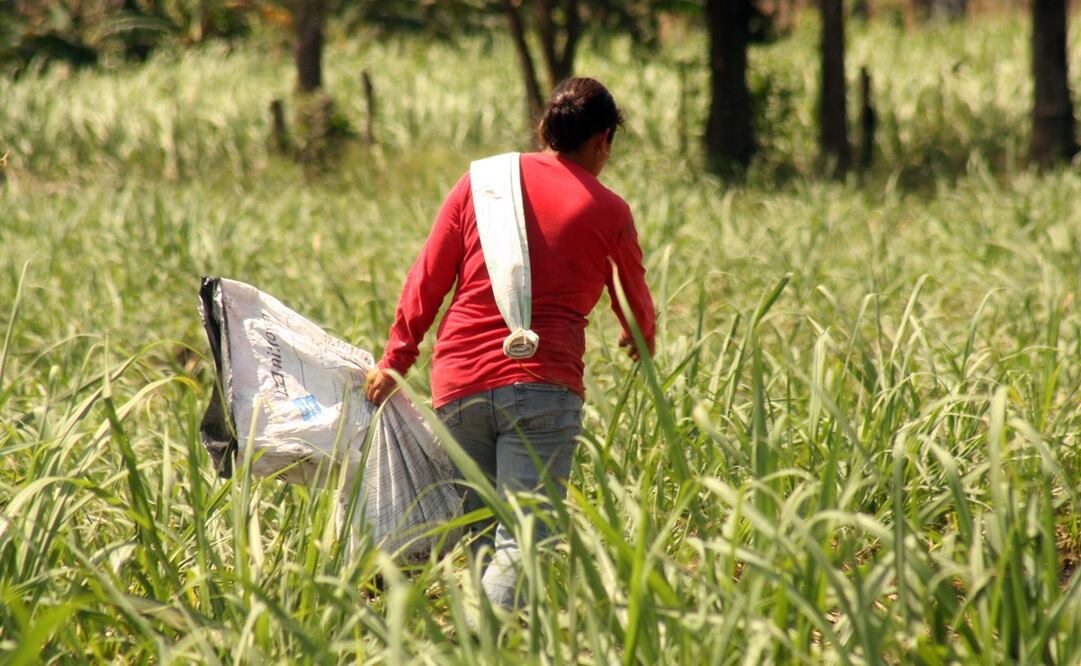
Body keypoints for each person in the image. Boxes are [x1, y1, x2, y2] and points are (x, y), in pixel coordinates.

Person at [365, 77, 656, 610]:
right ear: (604, 140)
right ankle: (488, 643)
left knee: (484, 542)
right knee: (524, 542)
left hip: (459, 386)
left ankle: (479, 643)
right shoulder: (609, 211)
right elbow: (635, 303)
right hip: (543, 388)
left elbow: (427, 278)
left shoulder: (480, 182)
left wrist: (395, 360)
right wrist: (641, 337)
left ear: (546, 128)